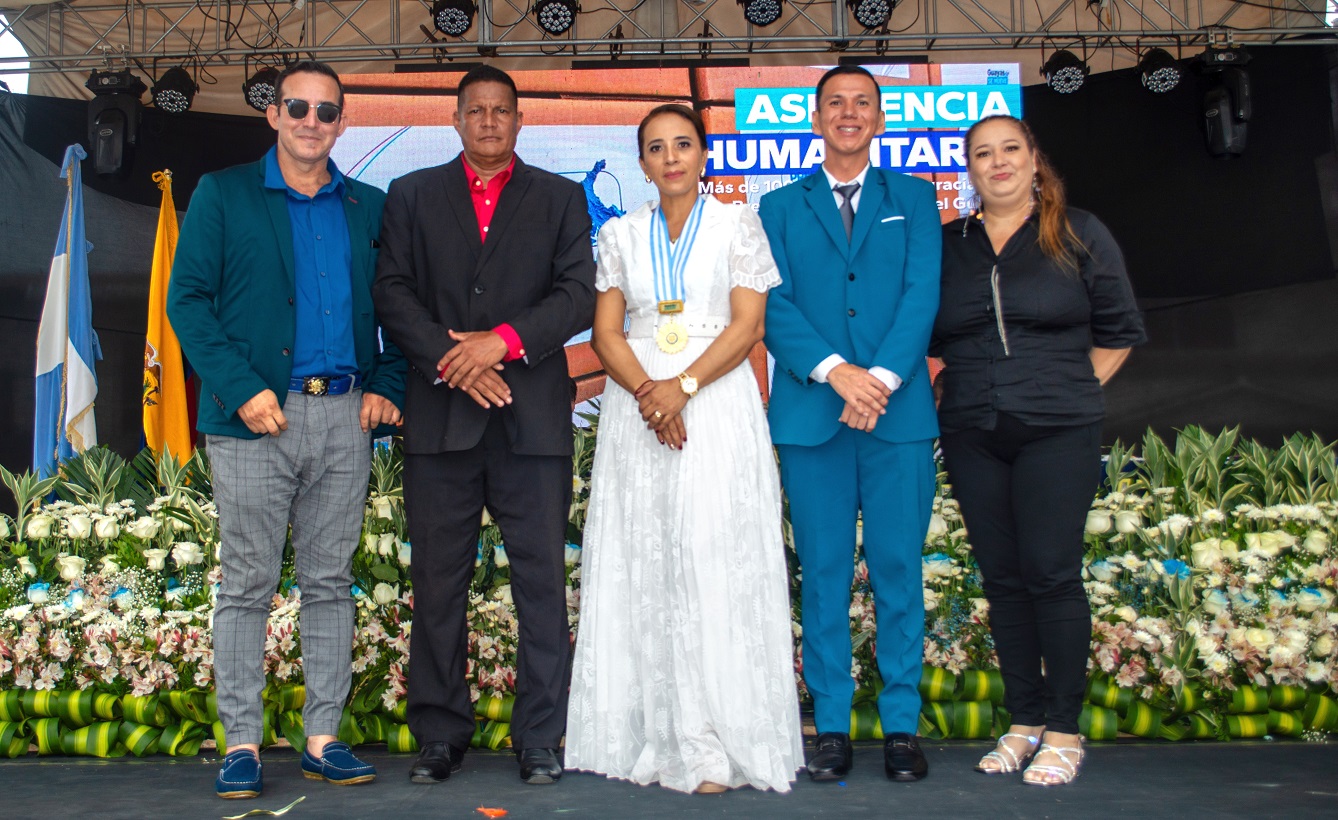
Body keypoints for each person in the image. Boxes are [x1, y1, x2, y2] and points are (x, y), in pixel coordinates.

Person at [168, 60, 406, 799]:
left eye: (326, 111)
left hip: (344, 415)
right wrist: (241, 390)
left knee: (331, 582)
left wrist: (388, 384)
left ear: (342, 122)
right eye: (296, 107)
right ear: (273, 114)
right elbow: (187, 301)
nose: (311, 121)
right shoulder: (224, 193)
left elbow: (402, 309)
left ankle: (323, 739)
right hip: (255, 418)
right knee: (247, 584)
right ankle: (240, 742)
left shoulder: (370, 206)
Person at [565, 104, 804, 794]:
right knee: (647, 556)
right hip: (639, 408)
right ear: (641, 163)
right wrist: (651, 393)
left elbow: (748, 324)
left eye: (683, 144)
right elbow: (605, 333)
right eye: (656, 148)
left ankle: (717, 737)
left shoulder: (737, 223)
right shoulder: (619, 233)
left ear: (703, 154)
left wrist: (683, 387)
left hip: (715, 403)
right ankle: (656, 731)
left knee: (712, 554)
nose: (670, 157)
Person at [372, 64, 596, 786]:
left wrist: (499, 342)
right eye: (477, 110)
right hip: (441, 419)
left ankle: (541, 736)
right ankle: (440, 733)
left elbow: (578, 295)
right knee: (438, 583)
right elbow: (392, 293)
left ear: (520, 121)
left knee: (541, 583)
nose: (490, 121)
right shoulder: (411, 194)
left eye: (502, 110)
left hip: (532, 421)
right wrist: (455, 360)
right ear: (457, 120)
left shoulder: (561, 198)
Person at [932, 115, 1146, 786]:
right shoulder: (949, 244)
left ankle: (1063, 731)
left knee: (1051, 574)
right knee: (1003, 580)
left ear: (1033, 159)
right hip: (972, 431)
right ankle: (1024, 722)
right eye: (982, 154)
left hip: (1058, 431)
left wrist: (1068, 391)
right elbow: (927, 333)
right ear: (969, 169)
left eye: (1009, 150)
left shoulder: (1079, 231)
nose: (997, 162)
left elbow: (1119, 331)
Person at [759, 65, 941, 783]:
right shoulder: (777, 206)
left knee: (899, 572)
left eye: (862, 102)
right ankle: (831, 726)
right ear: (815, 118)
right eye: (835, 102)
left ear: (880, 118)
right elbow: (771, 304)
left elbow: (922, 294)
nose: (848, 112)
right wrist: (838, 372)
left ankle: (901, 727)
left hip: (897, 417)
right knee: (824, 575)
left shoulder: (915, 198)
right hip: (815, 417)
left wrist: (881, 380)